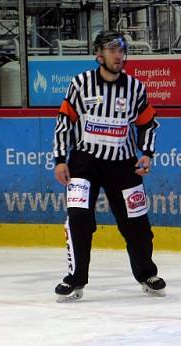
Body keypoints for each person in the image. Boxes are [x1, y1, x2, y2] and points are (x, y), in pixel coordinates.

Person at [52, 30, 165, 302]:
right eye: (112, 49)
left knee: (137, 224)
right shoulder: (80, 84)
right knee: (78, 220)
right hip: (84, 163)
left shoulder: (135, 87)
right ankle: (75, 279)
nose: (118, 54)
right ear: (98, 55)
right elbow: (64, 122)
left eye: (122, 49)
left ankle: (146, 274)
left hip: (123, 165)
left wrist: (147, 154)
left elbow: (147, 123)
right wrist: (59, 160)